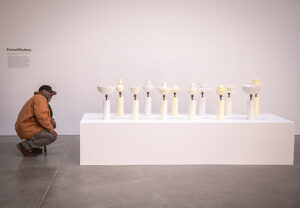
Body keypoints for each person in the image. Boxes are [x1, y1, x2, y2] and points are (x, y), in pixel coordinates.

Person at [15, 85, 58, 157]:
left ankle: (32, 146)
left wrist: (50, 121)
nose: (51, 95)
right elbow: (41, 117)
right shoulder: (40, 99)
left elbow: (41, 115)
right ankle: (25, 146)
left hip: (27, 127)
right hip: (28, 128)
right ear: (44, 91)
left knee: (49, 131)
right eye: (50, 92)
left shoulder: (38, 98)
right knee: (52, 136)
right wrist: (51, 129)